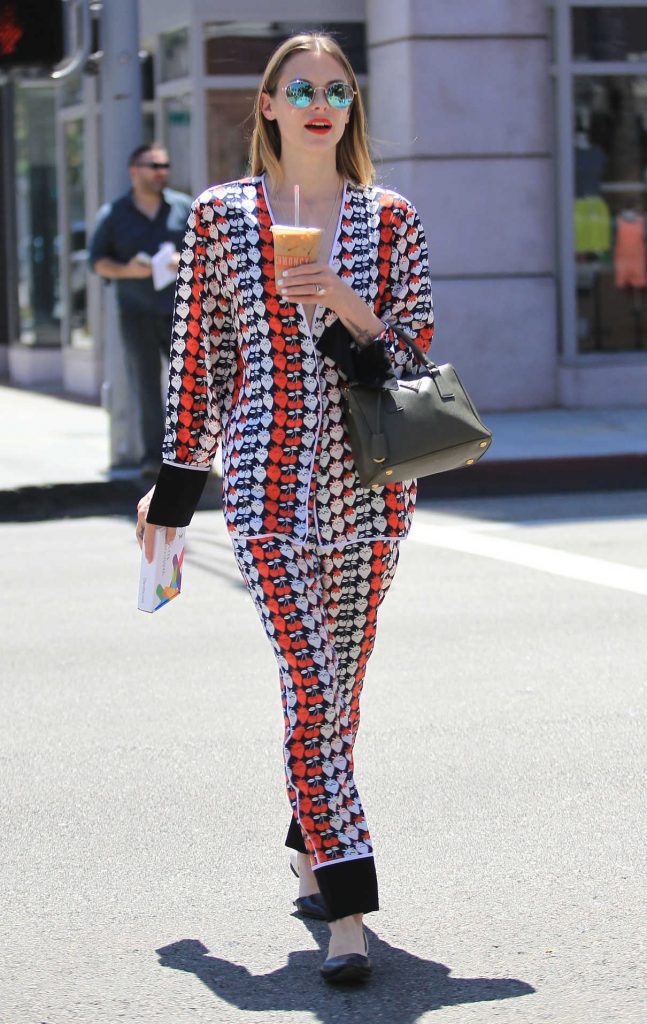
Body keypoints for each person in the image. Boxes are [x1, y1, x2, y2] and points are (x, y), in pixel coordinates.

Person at [136, 33, 434, 983]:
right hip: (265, 485)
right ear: (266, 106)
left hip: (371, 488)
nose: (318, 102)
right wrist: (176, 488)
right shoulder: (222, 217)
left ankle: (310, 835)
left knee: (339, 692)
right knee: (310, 684)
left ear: (351, 107)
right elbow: (200, 360)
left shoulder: (391, 220)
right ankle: (348, 911)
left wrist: (343, 302)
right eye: (298, 88)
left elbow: (416, 356)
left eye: (335, 90)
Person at [89, 143, 193, 474]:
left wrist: (184, 259)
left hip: (180, 311)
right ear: (135, 171)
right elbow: (97, 261)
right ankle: (155, 459)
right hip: (137, 311)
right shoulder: (115, 214)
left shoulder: (182, 207)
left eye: (165, 165)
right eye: (154, 166)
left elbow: (205, 251)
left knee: (189, 385)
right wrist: (128, 270)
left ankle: (191, 457)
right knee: (148, 386)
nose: (162, 171)